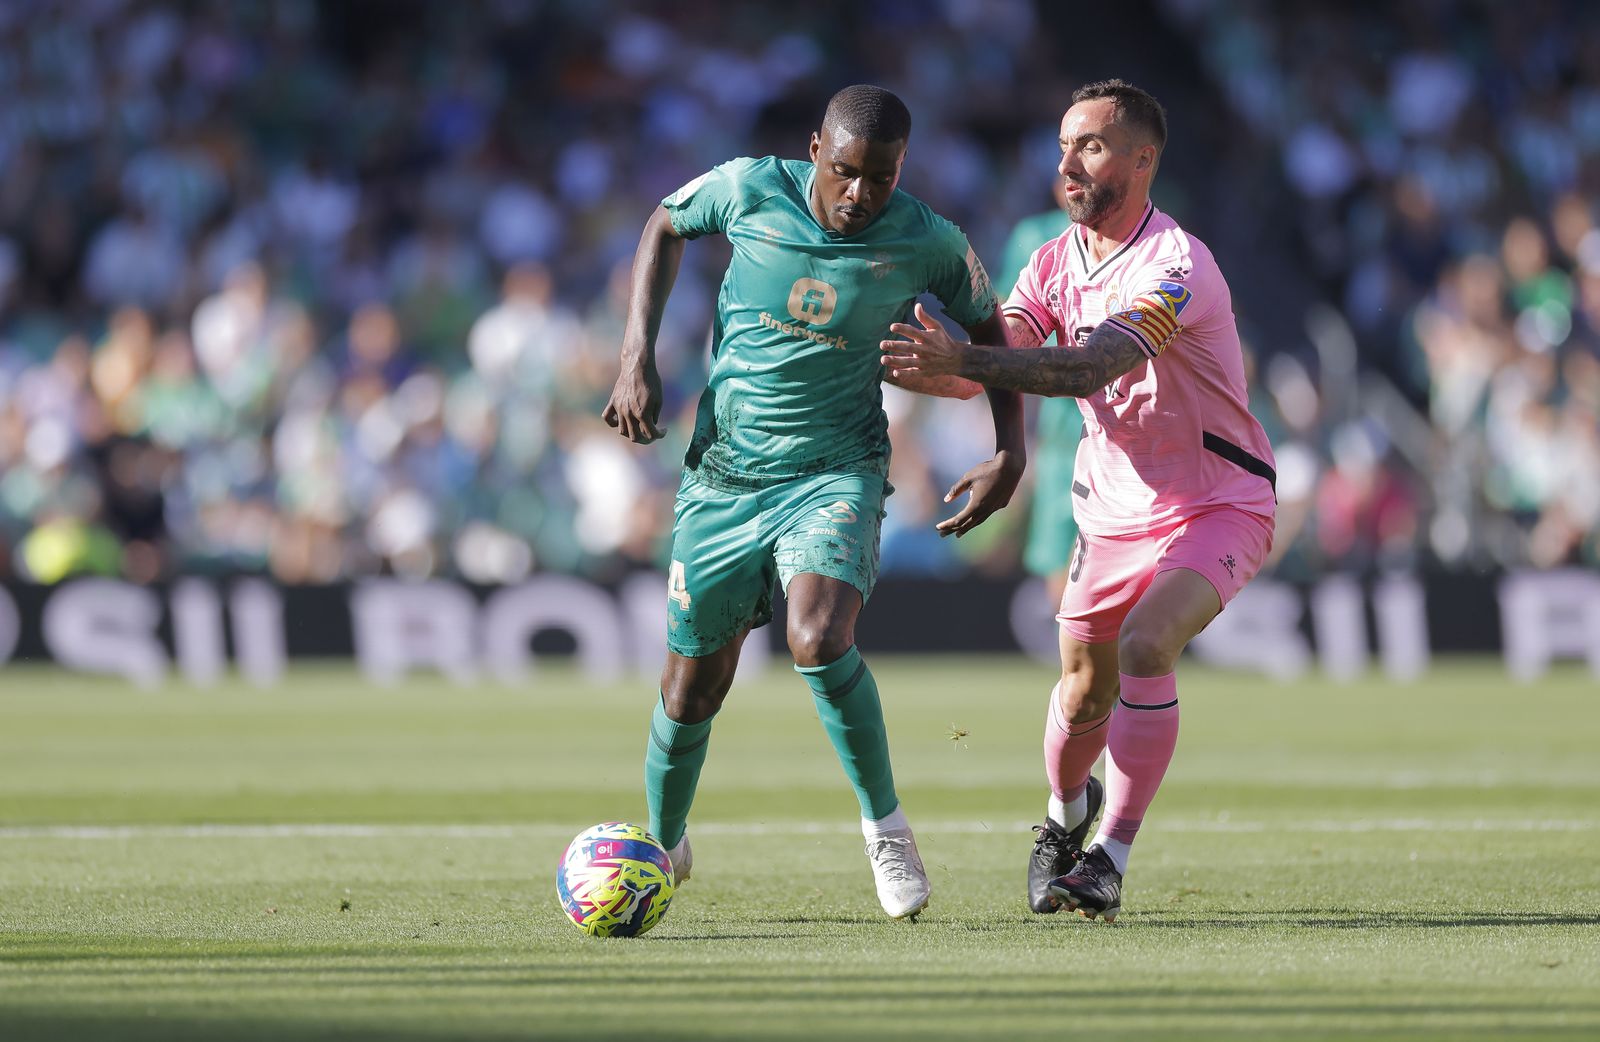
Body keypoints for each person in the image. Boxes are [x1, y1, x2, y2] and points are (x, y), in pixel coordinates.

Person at [604, 84, 1026, 920]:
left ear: (902, 169)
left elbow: (991, 329)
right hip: (725, 474)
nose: (860, 194)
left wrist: (1009, 451)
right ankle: (663, 843)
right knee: (691, 691)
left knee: (818, 637)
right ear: (813, 152)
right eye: (844, 171)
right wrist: (634, 357)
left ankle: (886, 831)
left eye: (881, 177)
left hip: (838, 469)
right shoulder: (748, 188)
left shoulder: (929, 240)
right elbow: (663, 224)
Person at [881, 79, 1276, 922]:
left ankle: (1111, 857)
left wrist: (966, 361)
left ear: (1143, 159)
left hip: (1217, 501)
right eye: (1063, 146)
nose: (1066, 164)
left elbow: (1088, 368)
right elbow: (998, 361)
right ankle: (1066, 817)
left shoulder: (1177, 266)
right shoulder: (1053, 261)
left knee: (1146, 644)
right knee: (1081, 689)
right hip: (1108, 509)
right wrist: (904, 359)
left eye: (1090, 146)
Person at [998, 178, 1084, 611]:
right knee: (1060, 565)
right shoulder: (1034, 236)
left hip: (1106, 414)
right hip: (1060, 416)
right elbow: (1005, 317)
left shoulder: (1140, 240)